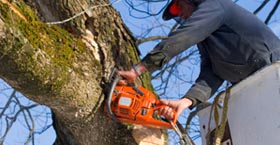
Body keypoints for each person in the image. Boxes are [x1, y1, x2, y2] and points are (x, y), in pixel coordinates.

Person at [118, 0, 280, 120]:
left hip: (273, 71)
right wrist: (187, 101)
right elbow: (212, 73)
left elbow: (183, 37)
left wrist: (139, 69)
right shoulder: (208, 39)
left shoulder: (215, 6)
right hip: (252, 86)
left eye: (179, 7)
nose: (179, 14)